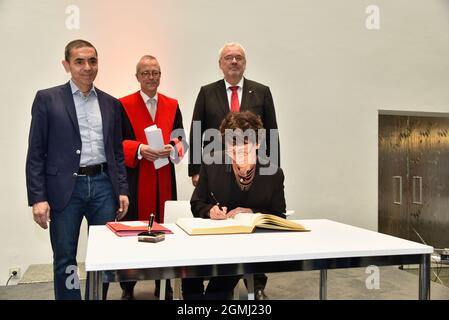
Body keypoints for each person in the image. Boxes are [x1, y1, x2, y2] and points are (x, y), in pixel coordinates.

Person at [26, 39, 129, 300]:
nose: (87, 67)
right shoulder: (47, 99)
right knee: (65, 258)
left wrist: (122, 189)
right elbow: (36, 153)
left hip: (104, 186)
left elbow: (116, 152)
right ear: (66, 65)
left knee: (104, 257)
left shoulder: (111, 104)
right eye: (79, 61)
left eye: (92, 61)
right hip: (65, 191)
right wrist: (38, 198)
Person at [188, 42, 280, 299]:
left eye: (238, 57)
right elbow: (197, 130)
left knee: (256, 224)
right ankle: (219, 276)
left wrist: (272, 169)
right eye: (228, 58)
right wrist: (196, 169)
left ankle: (257, 285)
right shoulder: (207, 92)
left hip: (254, 168)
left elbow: (271, 132)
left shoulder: (261, 91)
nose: (234, 62)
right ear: (220, 64)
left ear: (244, 63)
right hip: (216, 168)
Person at [182, 111, 286, 300]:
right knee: (190, 280)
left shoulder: (274, 174)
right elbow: (196, 203)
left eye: (245, 147)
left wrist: (251, 212)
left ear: (258, 143)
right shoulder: (211, 164)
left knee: (219, 289)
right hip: (211, 241)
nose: (238, 152)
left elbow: (279, 215)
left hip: (246, 248)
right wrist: (209, 210)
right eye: (232, 146)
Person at [119, 55, 187, 300]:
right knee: (135, 230)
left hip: (164, 178)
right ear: (137, 77)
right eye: (146, 73)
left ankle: (164, 284)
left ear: (161, 76)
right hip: (137, 178)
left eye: (155, 72)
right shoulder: (123, 105)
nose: (151, 77)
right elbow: (116, 142)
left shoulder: (172, 104)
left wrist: (173, 146)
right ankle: (128, 285)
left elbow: (182, 138)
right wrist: (139, 149)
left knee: (165, 229)